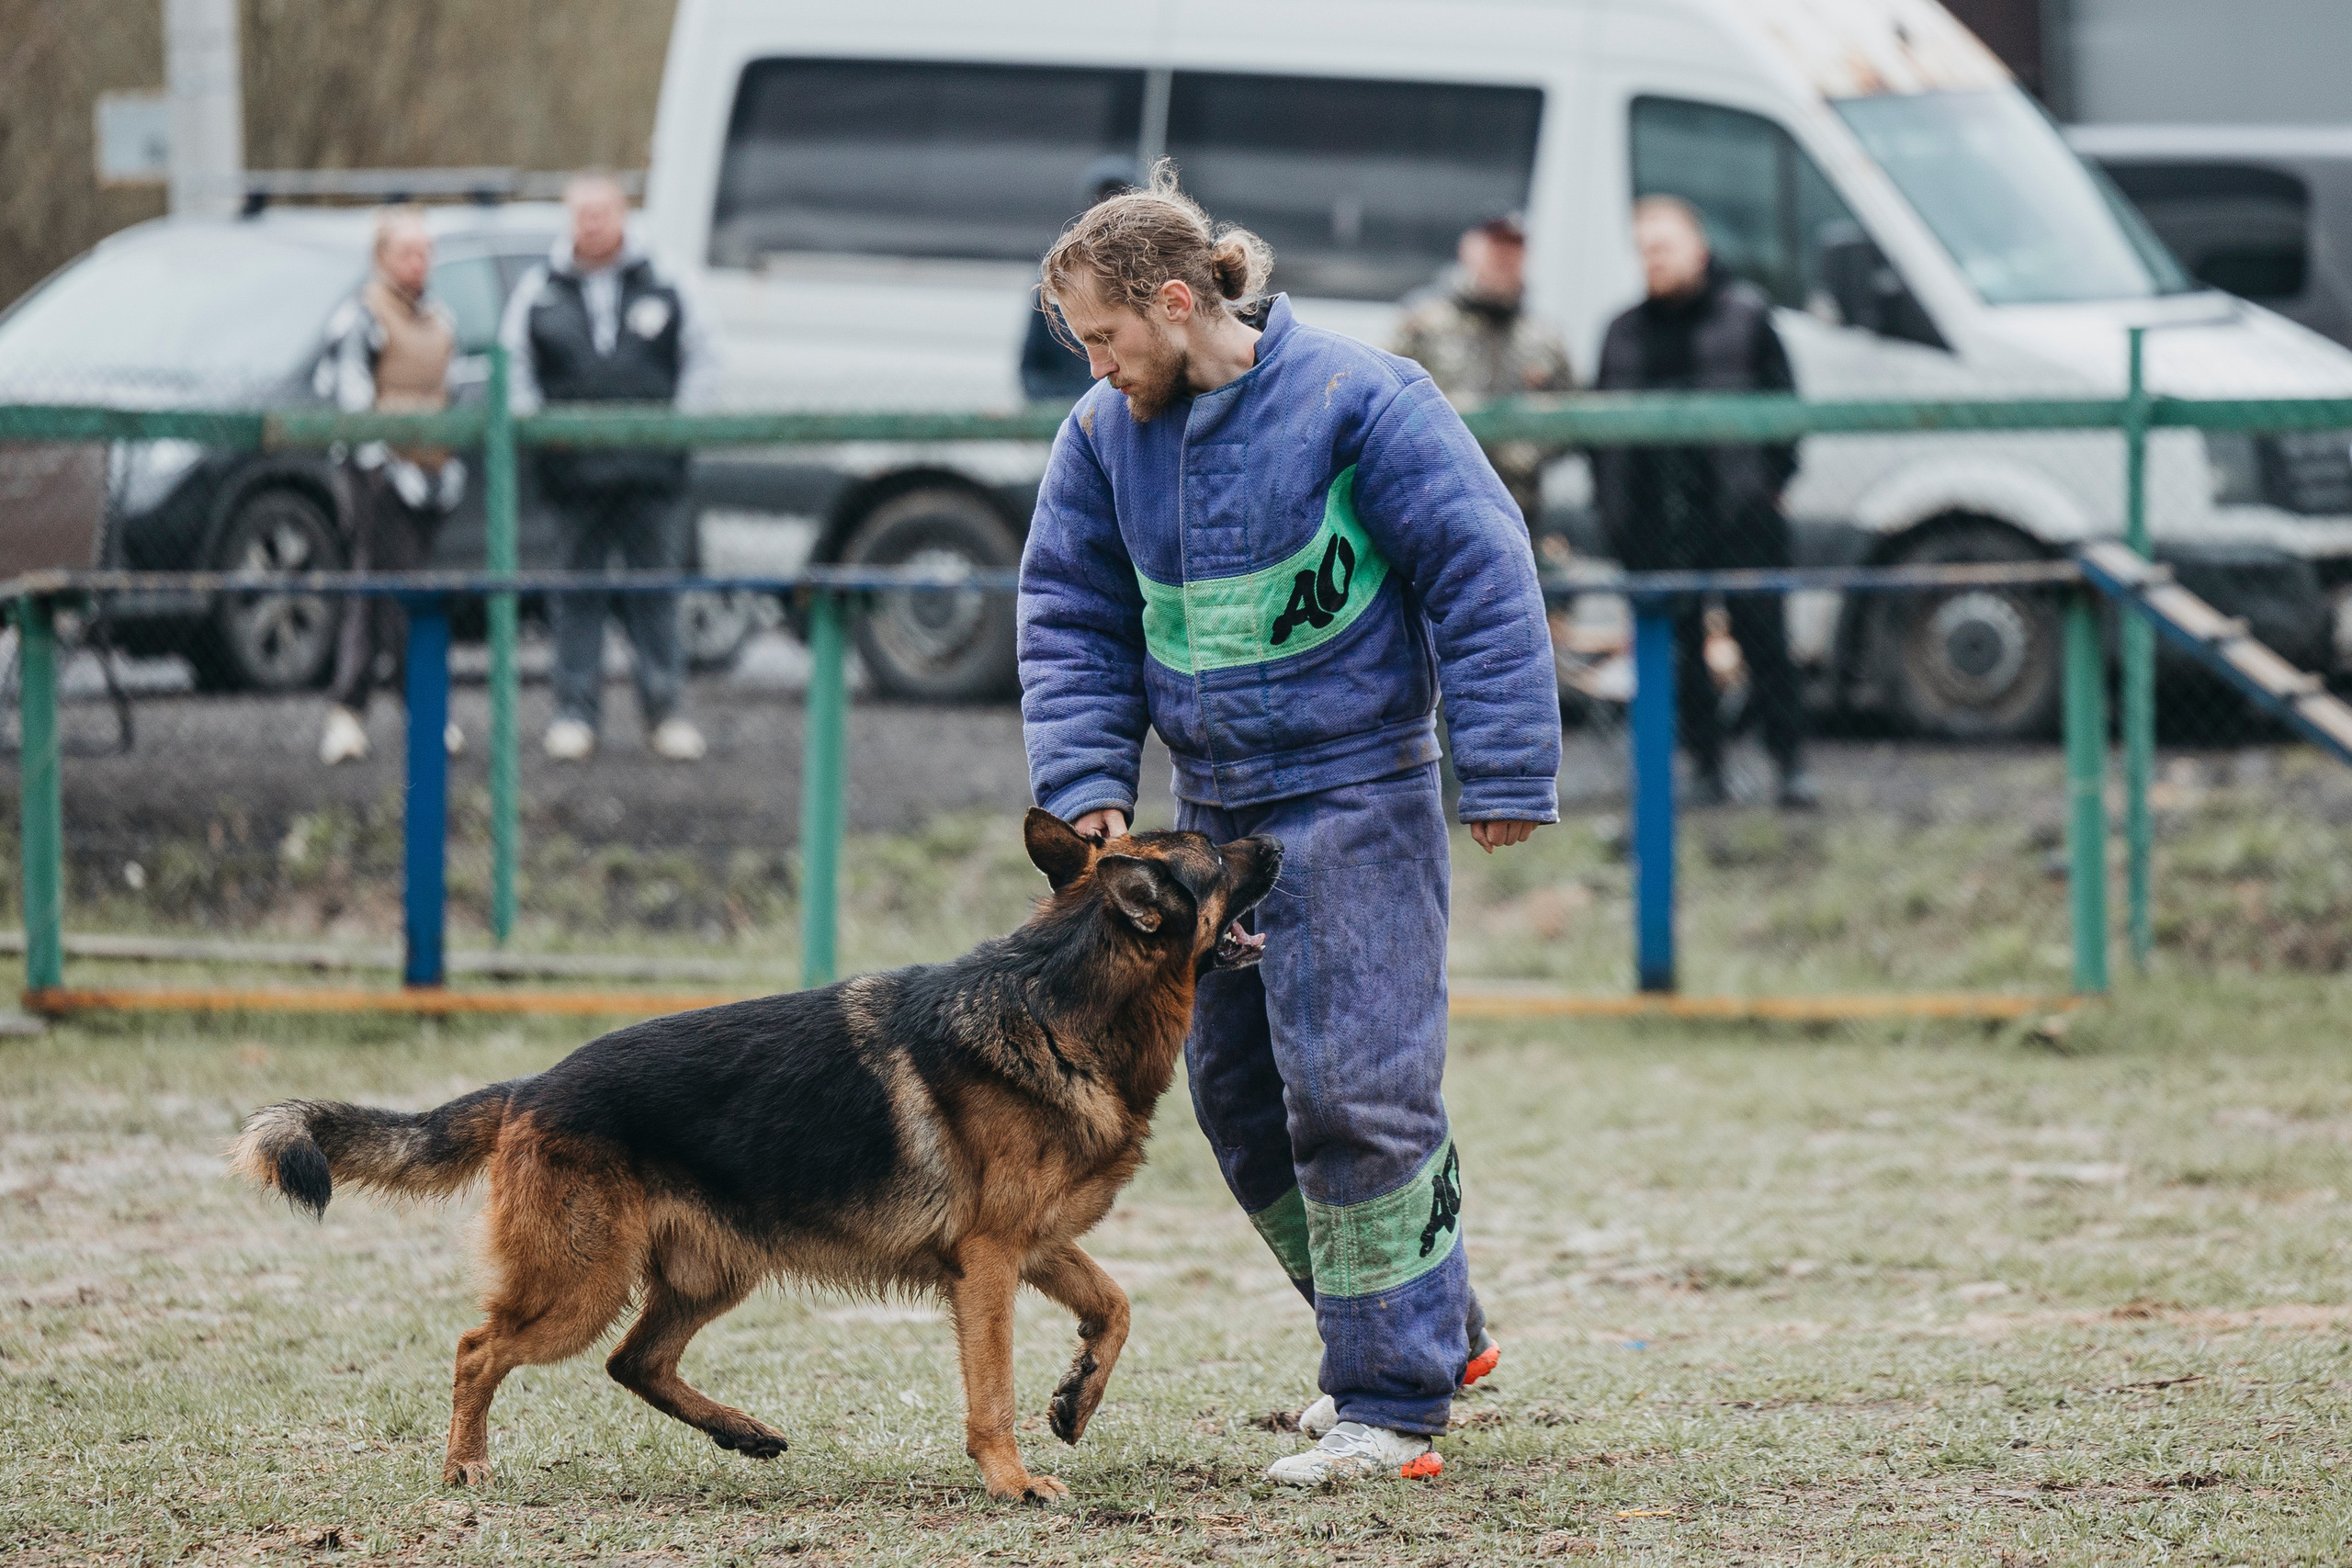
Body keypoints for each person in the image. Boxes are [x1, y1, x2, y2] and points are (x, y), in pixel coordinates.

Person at [1019, 168, 1560, 1487]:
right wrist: (1087, 769)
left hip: (1357, 795)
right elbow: (1071, 613)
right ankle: (1434, 1338)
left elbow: (1482, 570)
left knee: (1355, 1091)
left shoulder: (1363, 400)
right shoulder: (1103, 437)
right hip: (1212, 819)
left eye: (1103, 336)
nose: (1093, 366)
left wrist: (1502, 764)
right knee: (1244, 1102)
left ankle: (1391, 1403)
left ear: (1173, 298)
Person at [1593, 196, 1815, 809]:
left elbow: (1787, 411)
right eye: (1646, 249)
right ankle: (1706, 768)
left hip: (1742, 518)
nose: (1655, 259)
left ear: (1698, 246)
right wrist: (1614, 515)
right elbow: (1601, 433)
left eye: (1665, 245)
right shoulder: (1624, 332)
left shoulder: (1745, 317)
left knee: (1765, 640)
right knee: (1680, 651)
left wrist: (1769, 487)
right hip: (1657, 524)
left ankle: (1790, 765)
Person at [500, 172, 716, 762]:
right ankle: (575, 713)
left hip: (653, 476)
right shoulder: (539, 289)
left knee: (656, 593)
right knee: (575, 596)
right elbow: (513, 366)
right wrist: (537, 430)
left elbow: (701, 358)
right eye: (582, 213)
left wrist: (682, 431)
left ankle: (665, 710)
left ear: (623, 213)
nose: (592, 224)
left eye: (603, 212)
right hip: (574, 478)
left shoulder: (667, 280)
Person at [317, 207, 467, 766]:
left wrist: (442, 466)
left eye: (425, 251)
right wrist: (380, 465)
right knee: (377, 589)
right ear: (381, 258)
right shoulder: (360, 316)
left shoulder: (440, 320)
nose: (418, 262)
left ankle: (397, 711)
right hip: (376, 476)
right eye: (406, 251)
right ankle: (358, 712)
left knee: (398, 592)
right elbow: (349, 396)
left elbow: (447, 395)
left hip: (429, 476)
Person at [1391, 213, 1576, 527]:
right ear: (1469, 250)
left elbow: (1573, 416)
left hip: (1517, 507)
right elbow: (1387, 399)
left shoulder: (1544, 338)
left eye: (1514, 250)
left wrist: (1526, 453)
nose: (1504, 260)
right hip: (1433, 499)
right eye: (1495, 248)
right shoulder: (1424, 324)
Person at [1019, 156, 1139, 401]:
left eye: (1119, 197)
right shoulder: (1057, 278)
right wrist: (1070, 407)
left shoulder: (1152, 277)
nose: (1108, 207)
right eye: (1102, 198)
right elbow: (1031, 368)